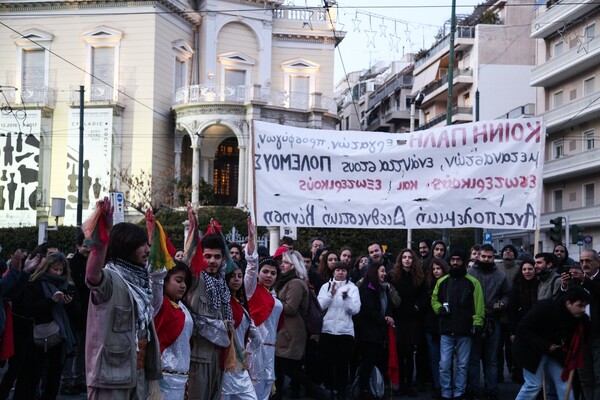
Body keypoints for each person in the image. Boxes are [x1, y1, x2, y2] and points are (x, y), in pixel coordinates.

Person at [84, 200, 162, 399]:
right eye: (141, 245)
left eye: (147, 244)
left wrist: (153, 236)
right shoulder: (110, 277)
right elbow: (93, 277)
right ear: (126, 247)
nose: (147, 250)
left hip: (139, 372)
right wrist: (102, 238)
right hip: (112, 375)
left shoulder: (142, 280)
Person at [14, 252, 78, 400]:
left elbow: (77, 312)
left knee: (53, 380)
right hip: (37, 337)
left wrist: (69, 303)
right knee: (31, 377)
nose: (58, 273)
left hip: (60, 338)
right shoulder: (35, 283)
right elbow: (28, 308)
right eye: (55, 269)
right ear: (46, 268)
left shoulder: (67, 284)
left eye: (61, 270)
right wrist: (51, 301)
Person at [513, 287, 590, 400]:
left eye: (585, 306)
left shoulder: (579, 317)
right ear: (569, 303)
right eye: (580, 306)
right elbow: (523, 330)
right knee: (533, 385)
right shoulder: (545, 307)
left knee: (564, 384)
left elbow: (583, 334)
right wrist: (545, 346)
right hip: (531, 351)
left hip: (555, 353)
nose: (583, 310)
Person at [185, 225, 233, 400]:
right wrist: (192, 229)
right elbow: (188, 262)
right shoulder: (195, 279)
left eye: (217, 257)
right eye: (207, 256)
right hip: (198, 356)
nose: (212, 261)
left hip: (219, 355)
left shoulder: (222, 283)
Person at [432, 248, 484, 400]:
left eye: (458, 259)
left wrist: (477, 323)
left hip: (465, 330)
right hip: (447, 330)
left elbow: (479, 306)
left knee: (462, 365)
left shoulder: (473, 283)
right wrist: (439, 309)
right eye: (453, 259)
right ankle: (446, 392)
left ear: (463, 261)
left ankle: (459, 392)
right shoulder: (442, 281)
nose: (455, 262)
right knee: (444, 365)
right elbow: (434, 300)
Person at [273, 248, 323, 400]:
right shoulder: (288, 281)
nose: (282, 265)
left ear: (294, 265)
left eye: (286, 262)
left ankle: (319, 393)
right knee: (282, 369)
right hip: (287, 331)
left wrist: (272, 299)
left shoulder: (295, 283)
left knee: (289, 369)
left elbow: (290, 308)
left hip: (291, 333)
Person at [466, 244, 510, 400]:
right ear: (478, 256)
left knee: (491, 358)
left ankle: (491, 389)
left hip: (493, 320)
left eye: (489, 257)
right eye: (483, 256)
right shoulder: (469, 273)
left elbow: (506, 294)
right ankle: (473, 389)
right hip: (474, 321)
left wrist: (503, 303)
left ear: (493, 257)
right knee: (473, 358)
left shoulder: (501, 275)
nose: (486, 259)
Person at [317, 261, 361, 399]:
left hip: (345, 332)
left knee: (343, 364)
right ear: (333, 272)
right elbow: (319, 306)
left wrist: (346, 298)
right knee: (327, 362)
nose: (340, 272)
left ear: (347, 272)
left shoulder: (353, 288)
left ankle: (342, 391)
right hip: (327, 330)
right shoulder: (326, 286)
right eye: (337, 270)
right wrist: (331, 294)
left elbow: (355, 310)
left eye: (343, 270)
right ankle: (329, 389)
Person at [561, 250, 600, 400]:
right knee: (585, 377)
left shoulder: (585, 279)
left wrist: (585, 280)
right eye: (582, 261)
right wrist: (564, 285)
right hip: (581, 335)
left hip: (598, 334)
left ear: (598, 262)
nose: (585, 264)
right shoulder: (576, 280)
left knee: (598, 376)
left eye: (589, 261)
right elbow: (566, 301)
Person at [151, 261, 193, 400]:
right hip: (163, 376)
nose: (183, 286)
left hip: (182, 376)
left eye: (185, 282)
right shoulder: (159, 303)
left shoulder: (183, 307)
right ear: (164, 280)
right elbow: (155, 278)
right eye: (178, 280)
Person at [388, 249, 426, 397]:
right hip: (398, 319)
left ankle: (409, 384)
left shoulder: (419, 277)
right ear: (400, 259)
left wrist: (417, 306)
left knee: (409, 354)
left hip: (412, 320)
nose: (407, 260)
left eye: (410, 257)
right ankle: (400, 383)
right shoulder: (393, 276)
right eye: (404, 257)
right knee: (399, 352)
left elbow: (423, 296)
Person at [355, 262, 395, 400]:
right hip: (368, 334)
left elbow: (387, 307)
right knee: (367, 362)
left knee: (378, 362)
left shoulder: (383, 289)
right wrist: (385, 320)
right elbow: (370, 312)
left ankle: (377, 388)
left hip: (378, 334)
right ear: (374, 272)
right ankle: (364, 390)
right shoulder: (367, 290)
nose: (384, 274)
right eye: (382, 271)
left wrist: (388, 317)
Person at [246, 256, 283, 400]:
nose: (269, 275)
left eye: (273, 273)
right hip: (254, 346)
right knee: (253, 387)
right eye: (265, 271)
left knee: (267, 384)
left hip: (270, 347)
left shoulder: (274, 295)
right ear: (257, 273)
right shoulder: (252, 290)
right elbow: (250, 268)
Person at [222, 259, 258, 400]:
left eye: (239, 276)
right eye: (233, 276)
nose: (237, 279)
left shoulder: (240, 304)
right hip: (226, 362)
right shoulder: (224, 303)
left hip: (240, 362)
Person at [60, 233, 92, 395]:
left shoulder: (95, 263)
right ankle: (66, 382)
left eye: (90, 245)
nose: (88, 249)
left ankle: (79, 379)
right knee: (73, 348)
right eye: (85, 245)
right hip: (74, 312)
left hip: (89, 313)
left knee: (83, 349)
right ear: (78, 246)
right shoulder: (71, 264)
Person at [507, 259, 538, 383]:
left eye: (530, 269)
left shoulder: (538, 285)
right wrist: (512, 332)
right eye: (524, 269)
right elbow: (512, 311)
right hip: (521, 327)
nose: (527, 272)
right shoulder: (516, 288)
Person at [423, 258, 449, 400]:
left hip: (445, 326)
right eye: (433, 269)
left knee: (446, 359)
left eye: (438, 268)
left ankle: (445, 385)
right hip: (431, 326)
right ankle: (438, 385)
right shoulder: (428, 284)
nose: (435, 271)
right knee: (434, 358)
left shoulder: (449, 284)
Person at [495, 244, 520, 384]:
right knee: (497, 347)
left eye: (510, 250)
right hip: (499, 314)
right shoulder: (497, 268)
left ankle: (514, 371)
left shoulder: (519, 269)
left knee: (512, 347)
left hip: (513, 313)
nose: (508, 252)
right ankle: (498, 373)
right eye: (505, 250)